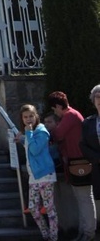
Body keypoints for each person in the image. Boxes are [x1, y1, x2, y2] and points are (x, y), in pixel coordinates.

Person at [48, 90, 97, 241]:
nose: (54, 112)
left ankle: (88, 233)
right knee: (82, 199)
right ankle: (84, 232)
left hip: (79, 163)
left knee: (84, 199)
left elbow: (57, 135)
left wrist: (46, 130)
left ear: (57, 106)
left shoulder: (70, 116)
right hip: (76, 163)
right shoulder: (72, 114)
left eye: (54, 109)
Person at [14, 104, 58, 241]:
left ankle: (54, 236)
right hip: (34, 176)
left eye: (31, 116)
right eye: (25, 117)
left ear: (36, 116)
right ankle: (45, 234)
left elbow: (34, 150)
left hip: (45, 174)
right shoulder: (30, 132)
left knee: (49, 209)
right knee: (33, 208)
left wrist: (27, 134)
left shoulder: (41, 131)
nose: (28, 119)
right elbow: (30, 149)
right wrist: (22, 139)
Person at [79, 84, 100, 241]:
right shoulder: (88, 122)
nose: (99, 99)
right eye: (97, 97)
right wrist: (95, 157)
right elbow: (83, 144)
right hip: (97, 166)